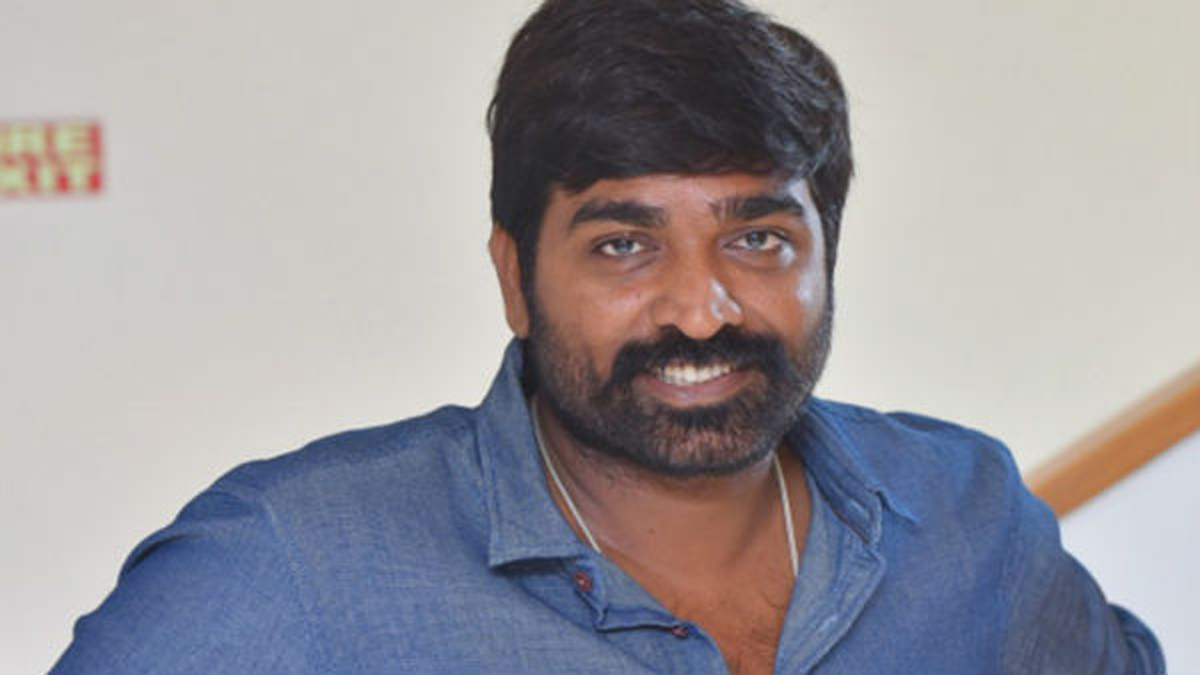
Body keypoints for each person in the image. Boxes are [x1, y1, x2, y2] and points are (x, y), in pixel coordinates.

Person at [53, 0, 1164, 673]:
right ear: (515, 276)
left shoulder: (969, 523)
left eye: (758, 239)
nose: (700, 308)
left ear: (827, 253)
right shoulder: (290, 565)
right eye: (624, 245)